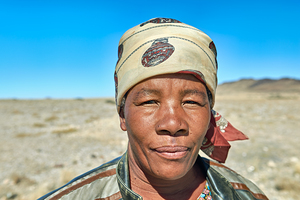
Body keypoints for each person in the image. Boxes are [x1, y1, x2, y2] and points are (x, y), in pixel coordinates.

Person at [38, 18, 268, 200]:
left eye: (191, 102)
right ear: (122, 115)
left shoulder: (245, 195)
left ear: (210, 115)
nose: (172, 124)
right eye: (149, 102)